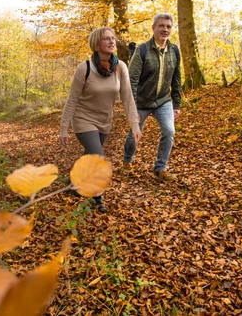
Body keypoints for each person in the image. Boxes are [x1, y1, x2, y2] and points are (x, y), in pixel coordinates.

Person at [60, 27, 142, 212]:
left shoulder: (120, 67)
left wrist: (135, 125)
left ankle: (74, 181)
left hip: (104, 121)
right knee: (98, 157)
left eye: (113, 38)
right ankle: (97, 198)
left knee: (90, 154)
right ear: (97, 44)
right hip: (83, 119)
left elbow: (128, 97)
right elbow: (72, 99)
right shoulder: (85, 68)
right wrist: (64, 127)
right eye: (107, 39)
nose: (112, 41)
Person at [123, 13, 182, 181]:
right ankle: (127, 161)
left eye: (168, 27)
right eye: (161, 26)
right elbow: (132, 81)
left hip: (163, 101)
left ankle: (160, 168)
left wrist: (176, 103)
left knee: (169, 131)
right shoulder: (142, 50)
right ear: (154, 28)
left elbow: (177, 78)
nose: (165, 29)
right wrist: (132, 108)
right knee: (134, 134)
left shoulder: (174, 50)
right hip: (141, 102)